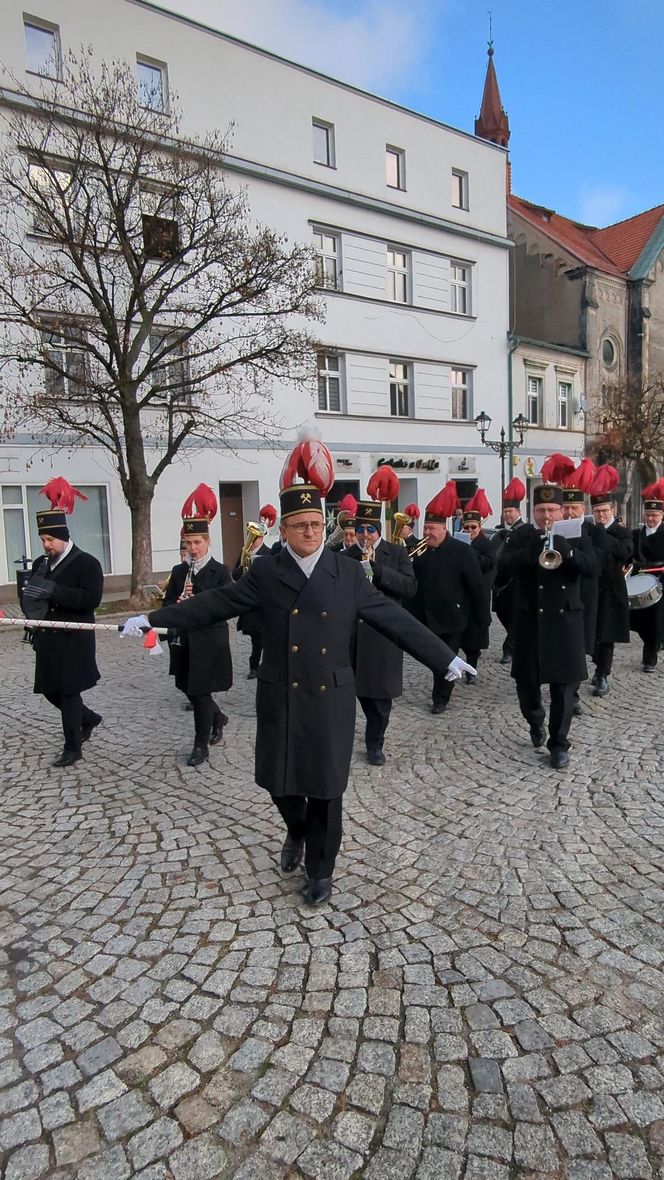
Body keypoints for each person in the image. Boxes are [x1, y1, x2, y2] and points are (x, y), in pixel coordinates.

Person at [123, 474, 475, 907]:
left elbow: (392, 618)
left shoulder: (346, 571)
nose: (310, 532)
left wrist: (445, 658)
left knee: (326, 789)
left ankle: (321, 869)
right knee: (278, 780)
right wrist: (156, 620)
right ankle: (296, 828)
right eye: (299, 525)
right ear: (285, 530)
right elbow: (216, 604)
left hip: (331, 694)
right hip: (281, 689)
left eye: (315, 524)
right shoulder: (268, 570)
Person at [497, 484, 597, 770]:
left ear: (562, 509)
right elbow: (501, 567)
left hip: (566, 621)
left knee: (564, 687)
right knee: (526, 685)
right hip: (531, 621)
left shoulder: (577, 532)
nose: (547, 516)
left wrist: (569, 553)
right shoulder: (523, 535)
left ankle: (559, 744)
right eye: (541, 510)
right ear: (533, 511)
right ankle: (535, 718)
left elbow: (593, 568)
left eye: (552, 510)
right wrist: (531, 551)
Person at [22, 478, 104, 768]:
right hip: (48, 639)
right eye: (42, 540)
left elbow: (91, 599)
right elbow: (36, 597)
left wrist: (55, 591)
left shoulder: (87, 563)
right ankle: (89, 718)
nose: (46, 545)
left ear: (63, 537)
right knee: (49, 689)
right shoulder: (41, 564)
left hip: (74, 639)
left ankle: (73, 747)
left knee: (69, 693)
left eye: (50, 540)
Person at [341, 496, 416, 765]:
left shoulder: (396, 553)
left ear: (378, 531)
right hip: (352, 636)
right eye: (360, 529)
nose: (364, 535)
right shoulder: (345, 556)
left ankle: (375, 743)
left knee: (380, 700)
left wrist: (379, 570)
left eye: (370, 530)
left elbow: (410, 587)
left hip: (383, 636)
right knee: (352, 693)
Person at [163, 484, 232, 766]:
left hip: (209, 642)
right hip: (184, 642)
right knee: (188, 688)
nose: (192, 549)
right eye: (188, 544)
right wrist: (178, 604)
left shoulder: (220, 571)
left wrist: (198, 596)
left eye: (197, 543)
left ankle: (200, 744)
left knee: (200, 692)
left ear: (207, 542)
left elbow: (226, 606)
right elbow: (166, 606)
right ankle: (218, 718)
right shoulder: (179, 571)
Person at [410, 481, 488, 714]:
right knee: (435, 657)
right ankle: (441, 690)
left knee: (446, 657)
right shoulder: (421, 551)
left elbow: (476, 586)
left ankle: (441, 697)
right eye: (425, 529)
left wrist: (482, 617)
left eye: (432, 529)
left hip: (454, 616)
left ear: (444, 529)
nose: (427, 533)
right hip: (427, 615)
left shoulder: (462, 551)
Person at [586, 467, 633, 697]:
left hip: (612, 590)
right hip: (592, 589)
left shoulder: (621, 531)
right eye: (597, 511)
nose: (601, 515)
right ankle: (598, 668)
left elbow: (625, 552)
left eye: (604, 511)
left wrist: (603, 533)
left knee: (606, 635)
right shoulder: (590, 531)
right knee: (592, 634)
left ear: (612, 510)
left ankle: (603, 674)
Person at [561, 458, 599, 714]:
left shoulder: (591, 531)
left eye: (574, 508)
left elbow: (595, 564)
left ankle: (571, 695)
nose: (570, 513)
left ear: (582, 508)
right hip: (556, 598)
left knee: (577, 649)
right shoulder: (551, 528)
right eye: (566, 508)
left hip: (583, 596)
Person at [459, 490, 495, 681]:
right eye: (467, 527)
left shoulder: (485, 544)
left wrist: (471, 552)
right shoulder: (458, 543)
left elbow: (488, 564)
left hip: (477, 595)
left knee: (474, 638)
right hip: (459, 594)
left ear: (479, 527)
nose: (470, 531)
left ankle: (471, 668)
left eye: (473, 527)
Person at [490, 478, 527, 664]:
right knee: (503, 615)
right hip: (499, 583)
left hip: (514, 583)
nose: (507, 515)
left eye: (510, 511)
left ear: (518, 512)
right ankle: (515, 643)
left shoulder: (525, 531)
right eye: (505, 512)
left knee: (514, 617)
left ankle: (509, 648)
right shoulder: (500, 532)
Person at [630, 479, 664, 672]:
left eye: (655, 515)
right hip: (640, 581)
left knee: (656, 622)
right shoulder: (636, 534)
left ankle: (649, 658)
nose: (651, 519)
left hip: (661, 583)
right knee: (642, 622)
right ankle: (653, 645)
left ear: (662, 515)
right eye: (648, 515)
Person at [233, 517, 273, 679]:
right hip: (250, 603)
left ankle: (263, 665)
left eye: (255, 537)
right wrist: (243, 570)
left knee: (264, 637)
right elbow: (235, 573)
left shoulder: (268, 553)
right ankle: (254, 667)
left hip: (264, 601)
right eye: (250, 536)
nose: (252, 540)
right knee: (256, 638)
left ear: (261, 538)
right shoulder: (245, 553)